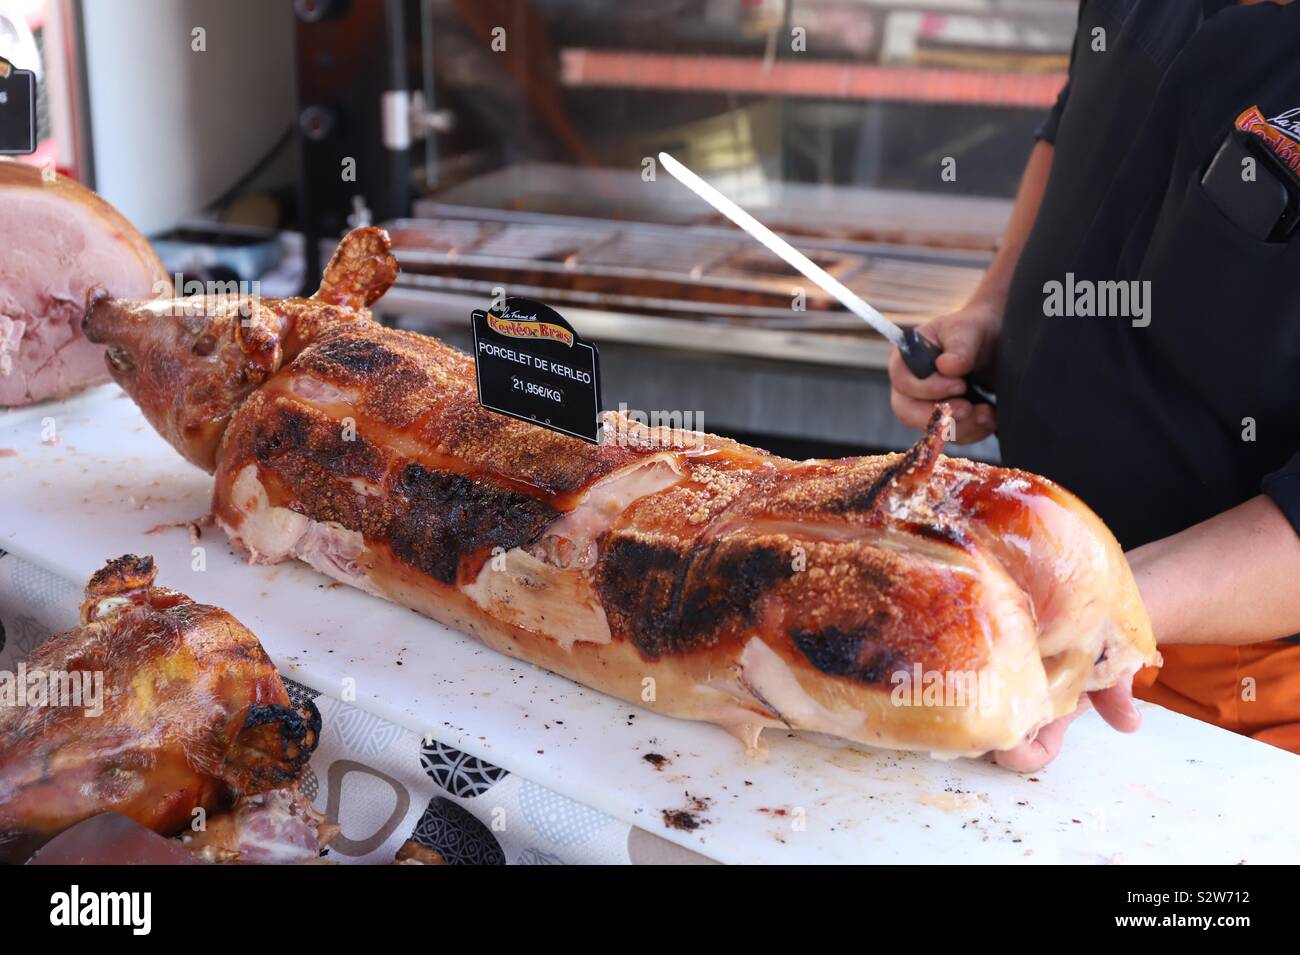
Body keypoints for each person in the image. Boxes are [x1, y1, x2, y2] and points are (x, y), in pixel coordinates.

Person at [889, 0, 1300, 771]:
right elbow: (1080, 109)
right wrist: (993, 310)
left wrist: (1099, 603)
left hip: (1228, 697)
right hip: (1026, 599)